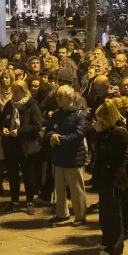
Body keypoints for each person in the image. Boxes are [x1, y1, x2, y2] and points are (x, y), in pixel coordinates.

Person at [90, 101, 128, 255]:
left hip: (114, 178)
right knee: (105, 212)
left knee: (113, 214)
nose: (99, 124)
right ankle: (107, 240)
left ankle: (115, 247)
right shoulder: (109, 131)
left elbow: (106, 155)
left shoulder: (119, 133)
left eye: (102, 121)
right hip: (105, 177)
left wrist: (99, 134)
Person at [48, 85, 89, 226]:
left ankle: (80, 216)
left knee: (76, 189)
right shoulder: (56, 114)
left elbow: (79, 135)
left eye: (61, 96)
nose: (58, 99)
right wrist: (52, 136)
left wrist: (60, 139)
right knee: (59, 188)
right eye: (57, 96)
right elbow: (48, 130)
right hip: (58, 157)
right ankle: (62, 214)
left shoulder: (80, 115)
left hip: (74, 158)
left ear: (70, 98)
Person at [0, 80, 41, 215]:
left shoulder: (31, 105)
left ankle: (30, 202)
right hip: (11, 146)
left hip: (26, 146)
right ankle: (14, 202)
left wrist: (20, 131)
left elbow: (37, 126)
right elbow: (2, 120)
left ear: (24, 91)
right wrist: (4, 128)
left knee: (28, 175)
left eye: (18, 91)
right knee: (13, 175)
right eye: (14, 91)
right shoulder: (9, 105)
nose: (15, 93)